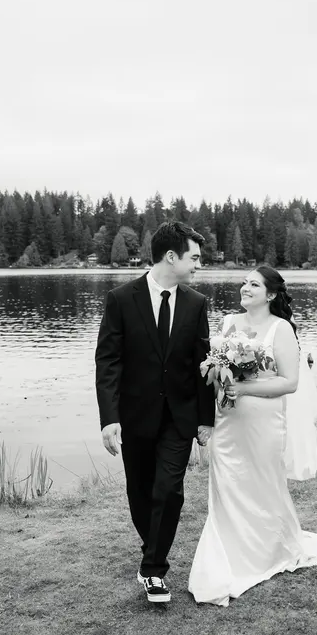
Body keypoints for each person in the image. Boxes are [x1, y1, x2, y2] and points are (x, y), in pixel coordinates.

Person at [188, 265, 317, 607]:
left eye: (254, 284)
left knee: (263, 484)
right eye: (244, 282)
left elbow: (290, 382)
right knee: (227, 484)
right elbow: (215, 369)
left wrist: (243, 387)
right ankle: (228, 553)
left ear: (270, 294)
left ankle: (268, 550)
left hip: (265, 422)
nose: (246, 288)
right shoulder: (228, 323)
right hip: (228, 420)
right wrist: (218, 379)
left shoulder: (281, 329)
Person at [95, 221, 215, 604]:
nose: (198, 265)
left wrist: (206, 419)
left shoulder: (197, 303)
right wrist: (109, 418)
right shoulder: (120, 299)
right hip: (135, 417)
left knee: (170, 490)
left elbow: (202, 363)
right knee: (140, 492)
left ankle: (153, 570)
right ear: (171, 257)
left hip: (179, 417)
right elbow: (108, 362)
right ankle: (153, 546)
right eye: (194, 257)